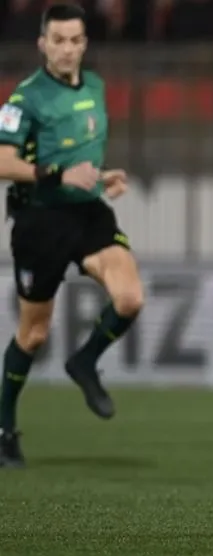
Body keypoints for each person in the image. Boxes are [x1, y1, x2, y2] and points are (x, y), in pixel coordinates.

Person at [0, 3, 141, 468]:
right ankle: (4, 430)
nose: (66, 48)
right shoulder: (26, 99)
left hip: (87, 215)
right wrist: (57, 175)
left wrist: (103, 179)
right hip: (40, 222)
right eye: (57, 40)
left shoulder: (96, 86)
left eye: (74, 40)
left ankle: (84, 362)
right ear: (42, 43)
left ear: (85, 43)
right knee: (34, 332)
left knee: (129, 299)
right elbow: (2, 162)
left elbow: (82, 162)